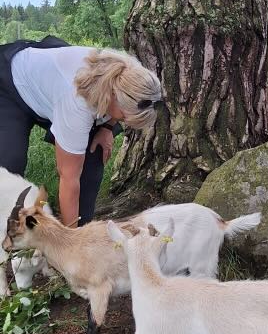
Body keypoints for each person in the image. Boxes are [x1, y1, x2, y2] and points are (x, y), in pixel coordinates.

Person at [0, 37, 162, 226]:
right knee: (9, 162)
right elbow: (69, 178)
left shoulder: (135, 78)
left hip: (57, 83)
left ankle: (82, 224)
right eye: (125, 117)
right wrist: (72, 242)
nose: (125, 122)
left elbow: (125, 108)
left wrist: (108, 127)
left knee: (94, 152)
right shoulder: (77, 103)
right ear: (112, 96)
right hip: (11, 84)